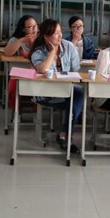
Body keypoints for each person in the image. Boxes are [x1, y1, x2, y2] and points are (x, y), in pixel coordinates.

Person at [30, 19, 83, 152]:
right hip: (46, 94)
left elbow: (75, 71)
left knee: (77, 95)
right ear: (46, 37)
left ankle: (64, 134)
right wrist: (52, 51)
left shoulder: (69, 46)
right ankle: (65, 136)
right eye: (56, 33)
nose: (60, 36)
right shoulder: (38, 52)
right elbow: (43, 69)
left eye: (60, 32)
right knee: (75, 99)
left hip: (67, 92)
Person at [4, 15, 38, 110]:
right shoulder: (15, 40)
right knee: (12, 90)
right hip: (19, 74)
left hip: (36, 74)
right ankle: (17, 112)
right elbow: (7, 53)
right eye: (30, 27)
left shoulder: (40, 40)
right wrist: (21, 41)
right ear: (23, 29)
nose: (34, 29)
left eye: (35, 25)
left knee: (42, 89)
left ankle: (37, 113)